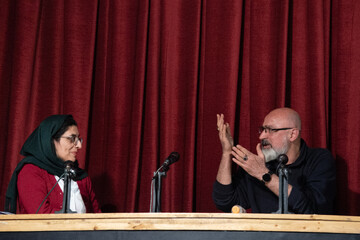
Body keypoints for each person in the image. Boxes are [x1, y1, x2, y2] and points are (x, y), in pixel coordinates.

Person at [212, 108, 336, 214]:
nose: (261, 137)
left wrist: (264, 175)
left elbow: (314, 210)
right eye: (262, 130)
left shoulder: (319, 159)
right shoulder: (257, 164)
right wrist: (227, 152)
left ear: (292, 134)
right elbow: (224, 201)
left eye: (271, 130)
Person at [4, 115, 101, 214]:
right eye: (72, 138)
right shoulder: (30, 172)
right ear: (51, 140)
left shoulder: (81, 177)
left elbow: (97, 217)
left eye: (78, 139)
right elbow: (40, 215)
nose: (79, 145)